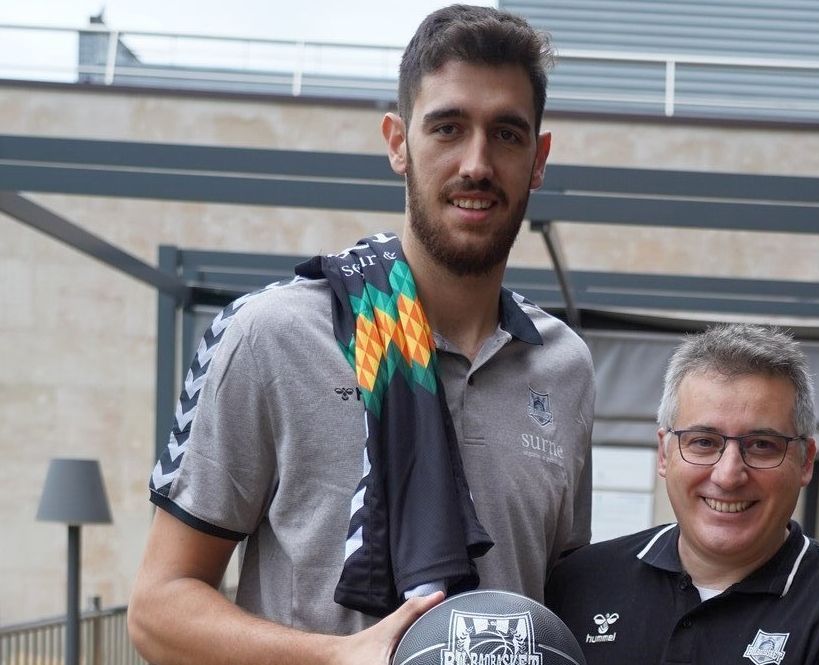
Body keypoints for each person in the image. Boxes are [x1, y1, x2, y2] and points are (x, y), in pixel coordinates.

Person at [129, 5, 595, 665]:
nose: (476, 162)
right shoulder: (271, 336)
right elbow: (157, 610)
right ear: (398, 141)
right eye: (447, 127)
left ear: (538, 159)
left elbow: (558, 604)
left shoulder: (562, 366)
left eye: (507, 134)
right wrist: (331, 656)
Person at [546, 324, 819, 665]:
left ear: (805, 462)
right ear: (664, 453)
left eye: (762, 445)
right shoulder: (578, 582)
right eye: (704, 442)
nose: (729, 475)